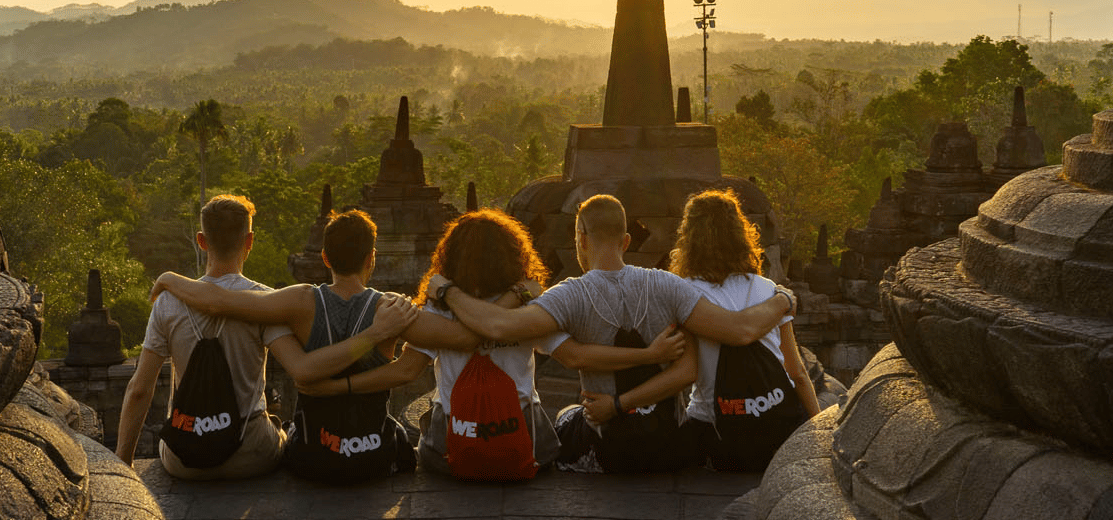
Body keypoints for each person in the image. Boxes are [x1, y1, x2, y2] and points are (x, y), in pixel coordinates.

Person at [297, 209, 684, 480]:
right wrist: (516, 296)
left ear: (450, 255)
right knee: (566, 416)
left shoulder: (440, 306)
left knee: (421, 415)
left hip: (450, 455)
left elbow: (404, 370)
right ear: (514, 255)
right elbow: (572, 355)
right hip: (523, 447)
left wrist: (340, 387)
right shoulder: (530, 308)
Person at [428, 194, 796, 473]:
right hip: (668, 445)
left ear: (581, 238)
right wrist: (782, 298)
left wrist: (446, 291)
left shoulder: (571, 294)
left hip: (610, 451)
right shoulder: (670, 286)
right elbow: (736, 333)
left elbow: (495, 326)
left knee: (568, 416)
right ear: (626, 241)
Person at [149, 209, 423, 483]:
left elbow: (218, 301)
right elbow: (409, 368)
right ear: (371, 258)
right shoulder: (393, 308)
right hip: (373, 454)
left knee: (286, 428)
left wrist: (169, 278)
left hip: (315, 455)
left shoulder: (300, 301)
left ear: (325, 258)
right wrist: (434, 297)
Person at [116, 195, 296, 479]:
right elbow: (298, 368)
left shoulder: (168, 302)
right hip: (250, 454)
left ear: (201, 240)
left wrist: (121, 467)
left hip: (183, 458)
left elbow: (139, 389)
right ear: (249, 241)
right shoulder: (264, 300)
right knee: (282, 431)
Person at [667, 190, 817, 471]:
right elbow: (797, 371)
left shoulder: (686, 294)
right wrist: (820, 432)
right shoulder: (769, 290)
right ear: (740, 233)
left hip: (717, 434)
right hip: (777, 431)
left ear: (689, 238)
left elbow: (686, 371)